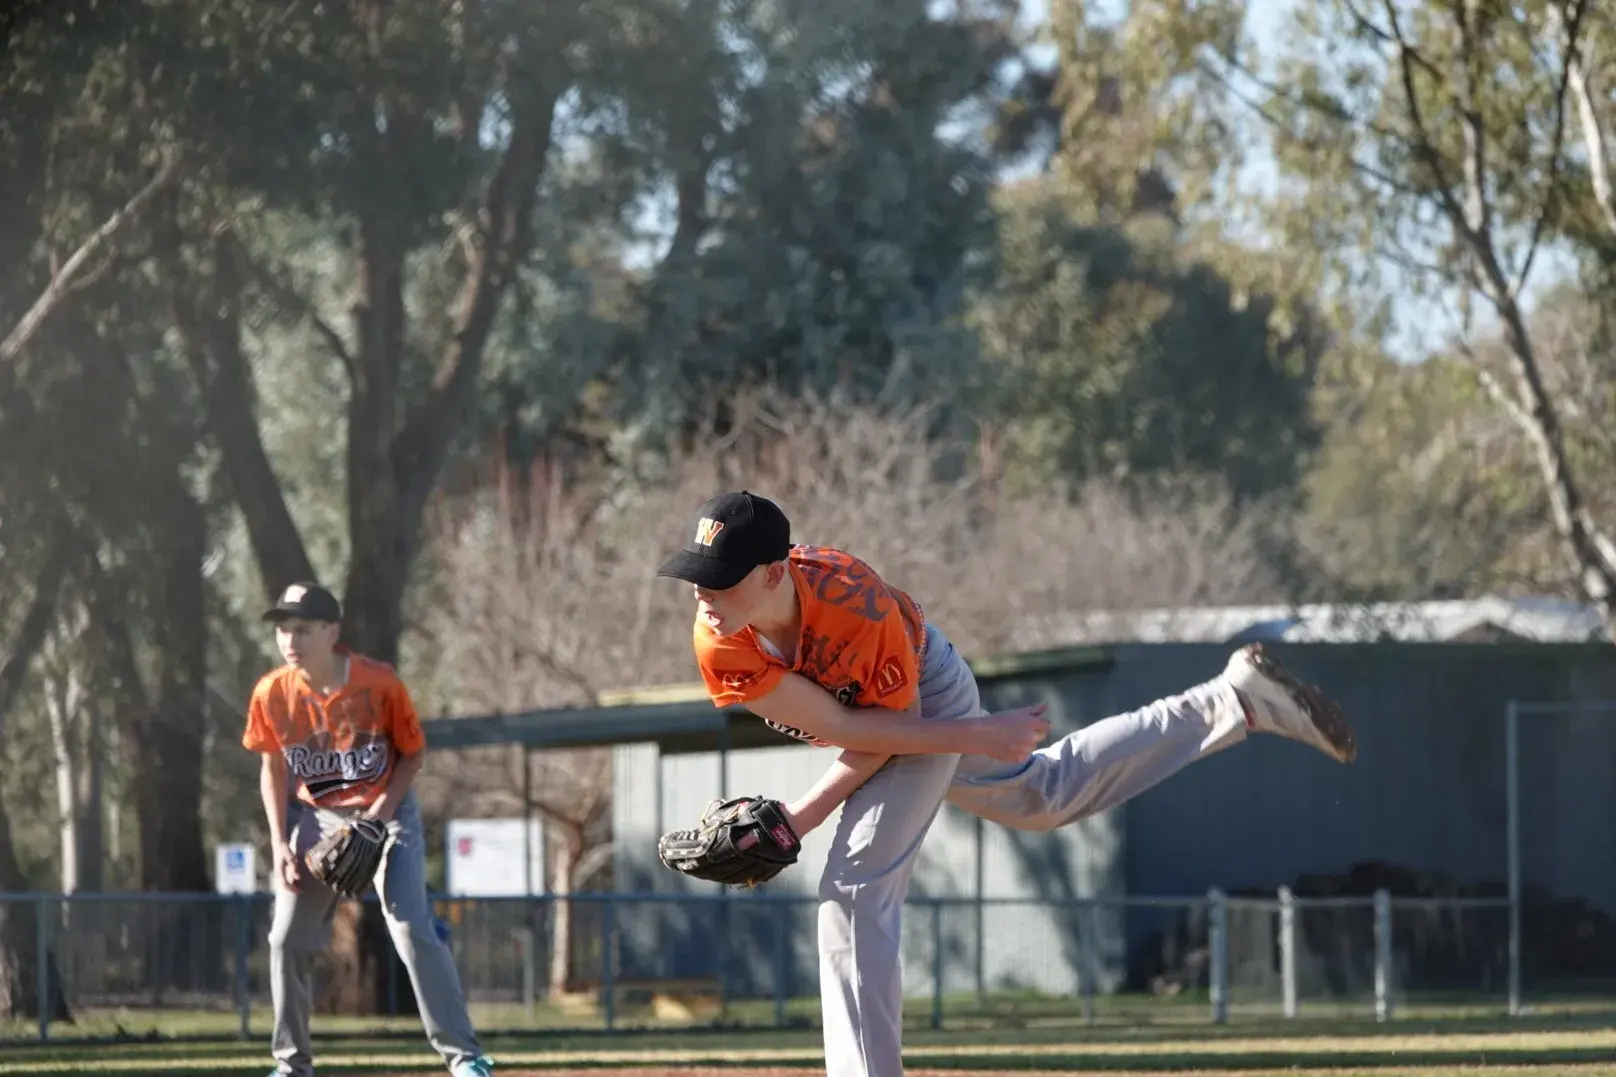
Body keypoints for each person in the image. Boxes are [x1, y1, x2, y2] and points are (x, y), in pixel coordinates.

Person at [656, 491, 1356, 1077]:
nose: (704, 594)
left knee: (855, 884)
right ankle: (1234, 701)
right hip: (885, 723)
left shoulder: (855, 605)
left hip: (925, 688)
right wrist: (803, 816)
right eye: (698, 576)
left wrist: (811, 813)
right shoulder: (720, 635)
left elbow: (885, 733)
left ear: (775, 573)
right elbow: (842, 724)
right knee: (1042, 794)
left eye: (722, 578)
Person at [242, 582, 496, 1077]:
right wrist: (278, 844)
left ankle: (465, 1057)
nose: (290, 639)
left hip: (388, 811)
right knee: (286, 939)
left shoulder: (378, 684)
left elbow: (413, 753)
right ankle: (292, 1065)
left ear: (331, 631)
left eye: (303, 628)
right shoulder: (272, 693)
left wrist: (379, 814)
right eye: (283, 629)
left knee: (409, 930)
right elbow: (272, 768)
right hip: (315, 817)